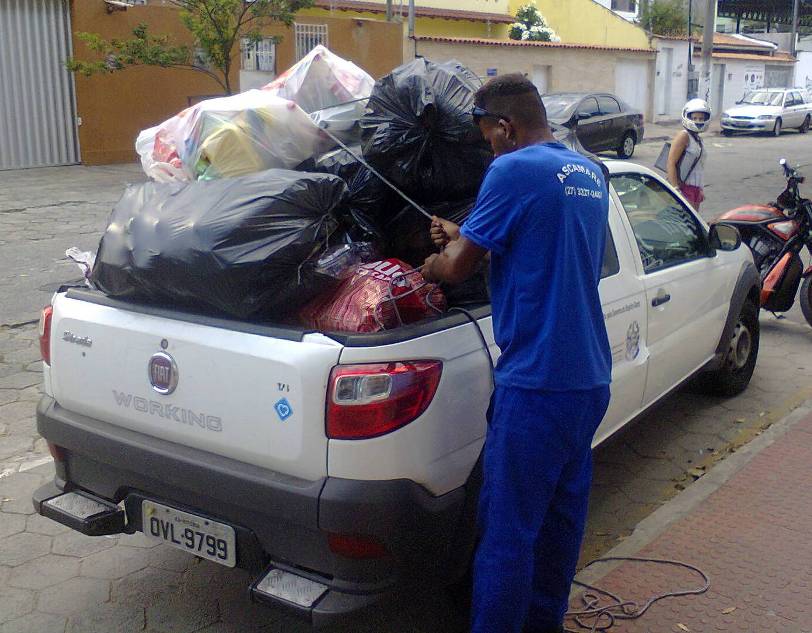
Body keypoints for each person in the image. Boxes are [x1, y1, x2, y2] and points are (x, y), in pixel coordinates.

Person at [421, 74, 611, 633]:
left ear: (505, 127)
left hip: (535, 383)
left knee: (507, 537)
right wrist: (469, 232)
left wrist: (437, 262)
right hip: (589, 380)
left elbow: (455, 268)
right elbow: (548, 247)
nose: (488, 148)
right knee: (559, 528)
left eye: (487, 137)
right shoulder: (590, 173)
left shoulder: (511, 169)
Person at [667, 99, 711, 211]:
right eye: (695, 118)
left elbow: (699, 167)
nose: (698, 121)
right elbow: (671, 163)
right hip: (684, 189)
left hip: (695, 190)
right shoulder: (684, 135)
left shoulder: (698, 139)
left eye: (701, 118)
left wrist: (700, 189)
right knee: (685, 225)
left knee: (693, 224)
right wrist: (676, 191)